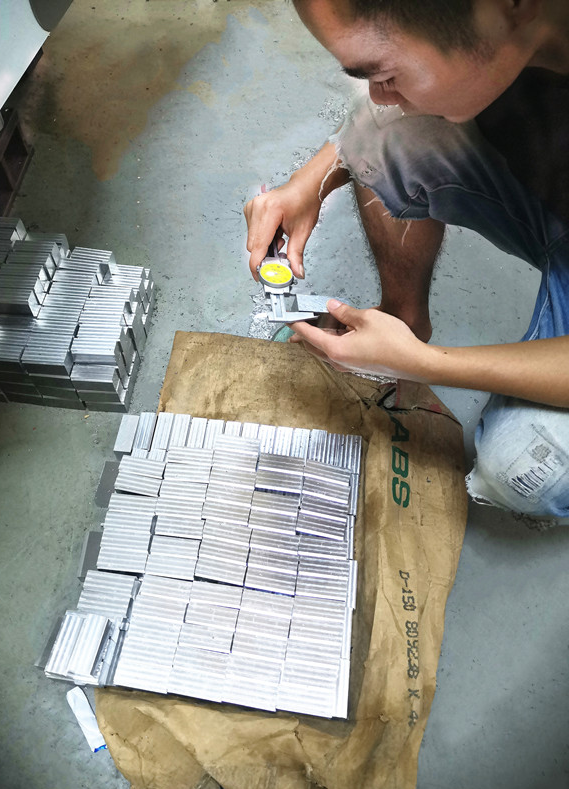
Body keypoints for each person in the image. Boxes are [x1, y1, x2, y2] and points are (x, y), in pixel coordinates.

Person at [243, 0, 569, 517]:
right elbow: (379, 120)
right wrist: (310, 182)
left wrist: (421, 364)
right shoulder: (520, 32)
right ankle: (404, 320)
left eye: (386, 75)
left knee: (524, 463)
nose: (378, 94)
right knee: (380, 130)